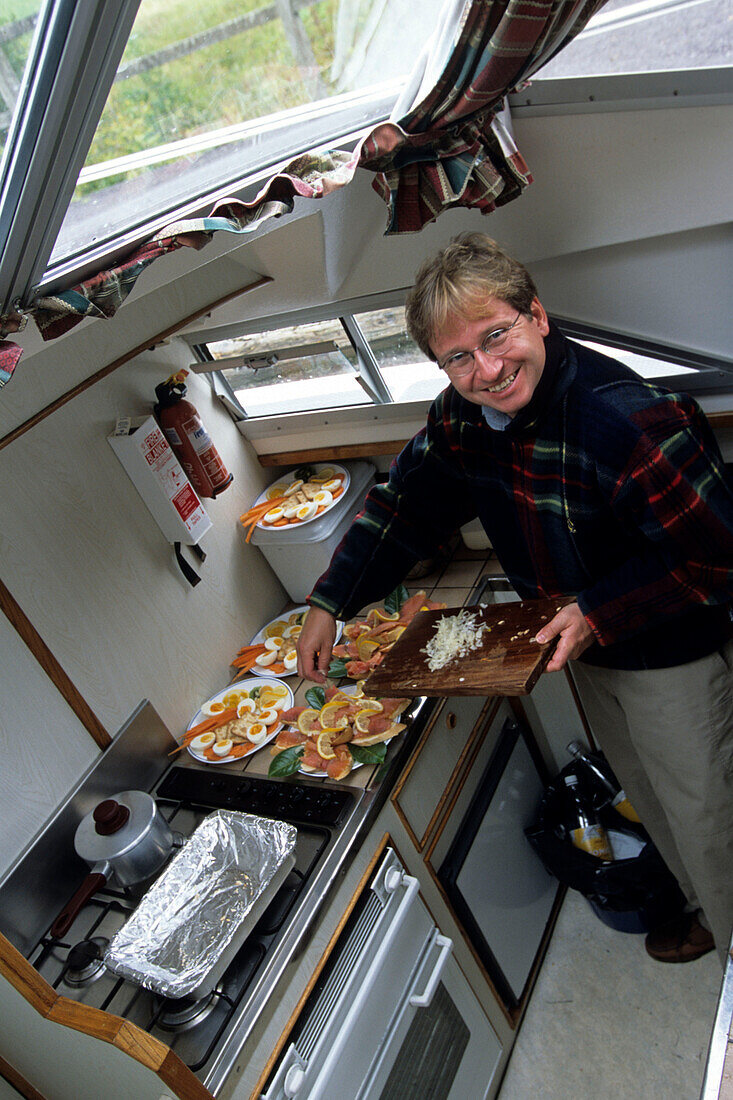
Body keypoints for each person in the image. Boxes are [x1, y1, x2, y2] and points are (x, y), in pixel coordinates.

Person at [297, 232, 733, 965]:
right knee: (650, 798)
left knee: (709, 815)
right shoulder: (461, 419)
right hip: (591, 650)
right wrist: (329, 599)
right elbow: (402, 503)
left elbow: (715, 556)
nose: (486, 370)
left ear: (536, 314)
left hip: (670, 653)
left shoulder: (627, 421)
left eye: (495, 335)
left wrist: (597, 611)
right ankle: (710, 915)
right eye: (458, 357)